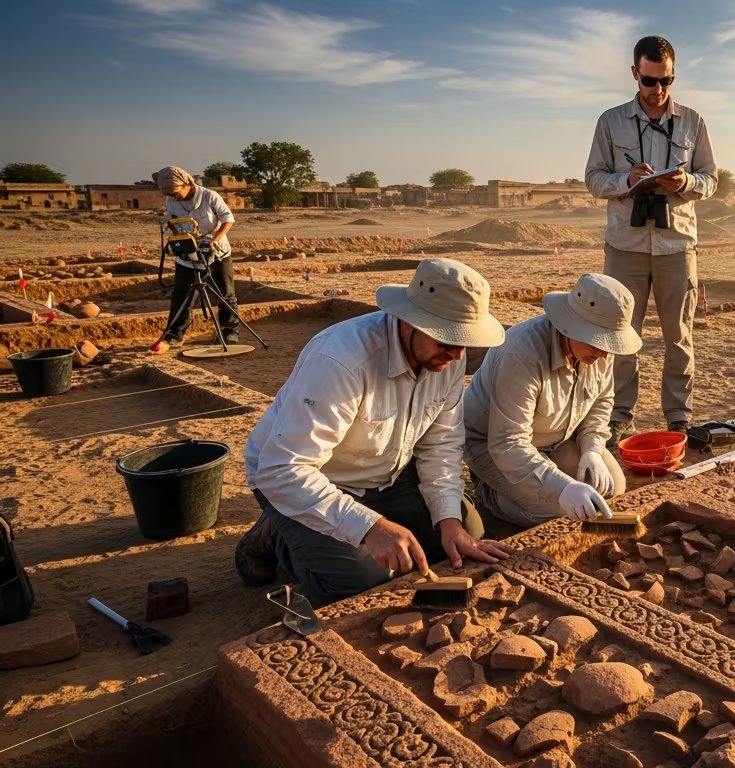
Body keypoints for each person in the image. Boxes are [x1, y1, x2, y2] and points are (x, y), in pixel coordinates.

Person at [235, 258, 513, 605]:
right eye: (446, 341)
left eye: (465, 342)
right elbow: (282, 470)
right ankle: (275, 535)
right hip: (309, 480)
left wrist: (448, 520)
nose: (457, 356)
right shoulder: (340, 361)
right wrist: (370, 527)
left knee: (465, 532)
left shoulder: (446, 359)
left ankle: (379, 524)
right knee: (363, 579)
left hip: (387, 475)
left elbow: (441, 444)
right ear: (411, 321)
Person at [585, 35, 718, 446]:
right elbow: (593, 179)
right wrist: (625, 180)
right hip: (625, 245)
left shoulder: (693, 121)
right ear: (634, 73)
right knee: (621, 333)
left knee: (680, 335)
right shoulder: (610, 121)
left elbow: (711, 179)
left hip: (677, 245)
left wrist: (686, 182)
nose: (658, 89)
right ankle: (618, 416)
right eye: (649, 80)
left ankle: (679, 417)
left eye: (666, 80)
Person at [464, 273, 641, 531]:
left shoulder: (598, 350)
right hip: (495, 447)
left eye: (610, 342)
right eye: (598, 340)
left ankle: (547, 480)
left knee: (611, 487)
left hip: (556, 438)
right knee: (561, 511)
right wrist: (563, 487)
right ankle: (490, 493)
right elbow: (508, 443)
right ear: (570, 325)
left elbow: (602, 402)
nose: (604, 353)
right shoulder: (522, 354)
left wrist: (591, 450)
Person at [153, 166, 243, 352]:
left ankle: (229, 331)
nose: (173, 197)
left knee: (225, 293)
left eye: (175, 192)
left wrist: (215, 240)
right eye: (168, 194)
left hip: (216, 252)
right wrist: (173, 234)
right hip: (188, 254)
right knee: (182, 295)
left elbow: (228, 219)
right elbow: (172, 220)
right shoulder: (171, 201)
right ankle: (174, 335)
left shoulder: (209, 196)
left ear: (186, 184)